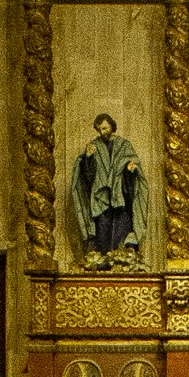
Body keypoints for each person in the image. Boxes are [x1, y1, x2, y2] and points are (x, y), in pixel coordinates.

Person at [70, 112, 149, 265]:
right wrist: (88, 158)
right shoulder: (94, 146)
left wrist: (130, 169)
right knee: (102, 235)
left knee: (121, 232)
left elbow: (133, 164)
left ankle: (119, 262)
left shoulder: (124, 145)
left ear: (112, 126)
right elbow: (87, 176)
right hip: (101, 199)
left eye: (105, 128)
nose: (102, 132)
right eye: (99, 129)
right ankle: (104, 264)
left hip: (120, 197)